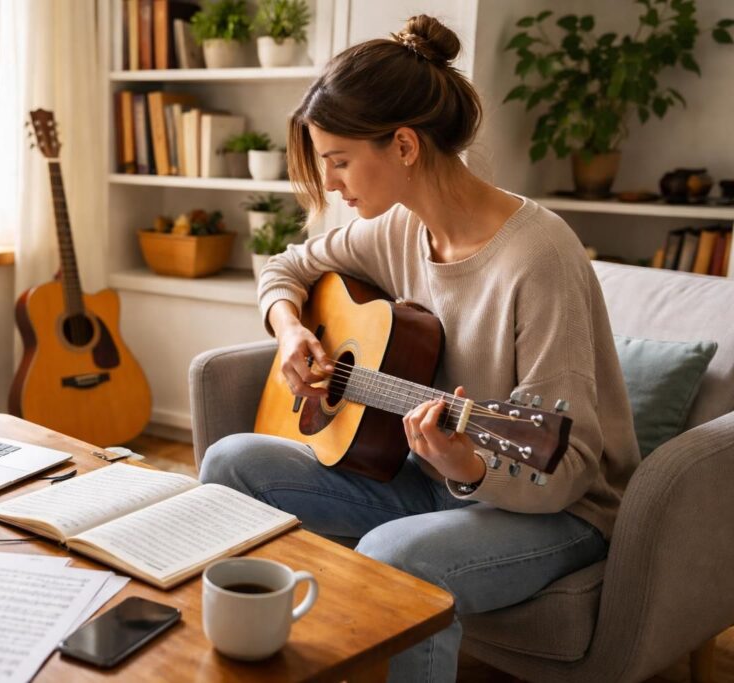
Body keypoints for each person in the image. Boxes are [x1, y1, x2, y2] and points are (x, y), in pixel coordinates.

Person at [198, 15, 640, 683]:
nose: (336, 185)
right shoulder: (397, 230)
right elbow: (282, 266)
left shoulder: (539, 258)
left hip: (558, 510)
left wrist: (468, 468)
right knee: (230, 462)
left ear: (403, 145)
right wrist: (290, 328)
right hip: (433, 478)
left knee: (398, 556)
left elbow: (571, 465)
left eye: (340, 162)